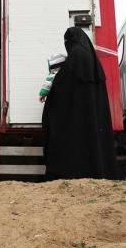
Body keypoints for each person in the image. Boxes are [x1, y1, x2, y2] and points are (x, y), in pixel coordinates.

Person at [42, 27, 117, 179]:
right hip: (92, 118)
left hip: (75, 119)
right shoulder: (94, 62)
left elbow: (61, 87)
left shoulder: (74, 57)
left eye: (66, 42)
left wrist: (49, 97)